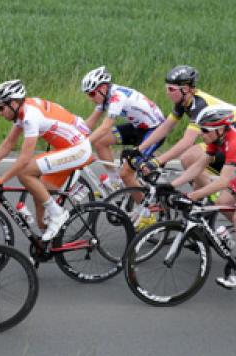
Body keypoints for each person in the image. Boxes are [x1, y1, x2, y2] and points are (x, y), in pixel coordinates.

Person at [0, 79, 92, 240]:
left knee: (25, 172)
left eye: (0, 107)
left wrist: (1, 179)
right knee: (38, 191)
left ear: (13, 103)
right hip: (66, 148)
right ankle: (47, 240)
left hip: (78, 149)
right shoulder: (22, 109)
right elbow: (9, 143)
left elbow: (24, 159)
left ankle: (58, 214)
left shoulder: (30, 117)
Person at [161, 106, 236, 288]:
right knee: (222, 201)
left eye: (205, 130)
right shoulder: (217, 138)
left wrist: (192, 195)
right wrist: (172, 185)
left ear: (220, 129)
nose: (201, 134)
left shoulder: (233, 142)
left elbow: (223, 181)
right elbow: (198, 166)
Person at [129, 66, 234, 189]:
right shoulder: (183, 102)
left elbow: (187, 141)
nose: (167, 93)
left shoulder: (199, 105)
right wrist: (139, 149)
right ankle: (203, 196)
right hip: (223, 139)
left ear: (185, 89)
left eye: (171, 89)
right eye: (167, 88)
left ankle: (214, 197)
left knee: (189, 157)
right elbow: (165, 127)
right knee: (196, 184)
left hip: (232, 141)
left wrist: (158, 161)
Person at [81, 66, 165, 191]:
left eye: (92, 93)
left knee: (126, 173)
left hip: (155, 131)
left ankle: (144, 203)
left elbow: (105, 127)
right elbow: (89, 123)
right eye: (88, 94)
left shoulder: (117, 97)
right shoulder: (105, 96)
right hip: (138, 127)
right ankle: (115, 182)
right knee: (100, 141)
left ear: (103, 88)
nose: (90, 98)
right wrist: (73, 136)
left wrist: (83, 144)